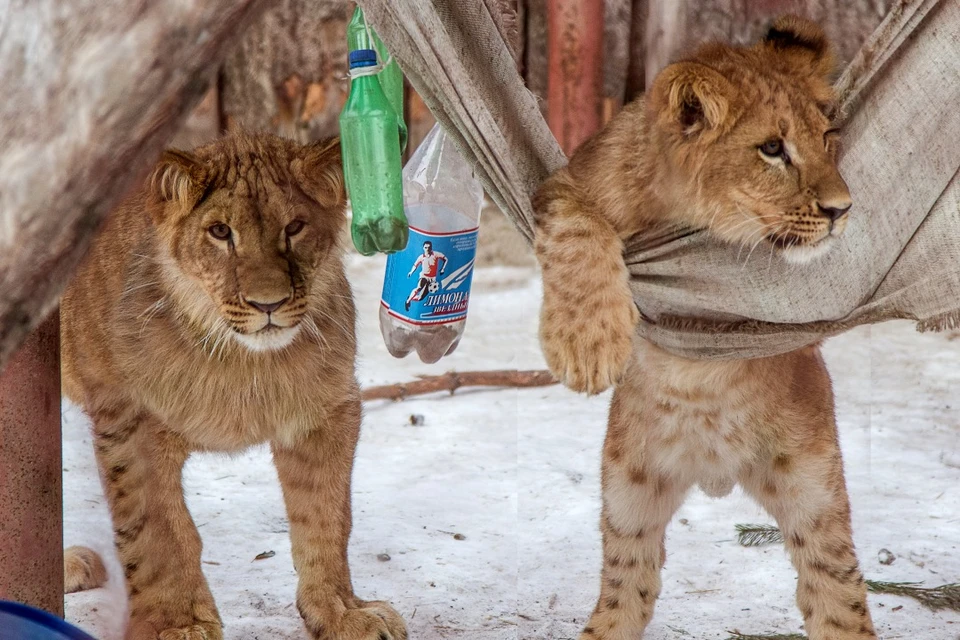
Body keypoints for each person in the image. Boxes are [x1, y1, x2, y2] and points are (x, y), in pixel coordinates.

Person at [405, 240, 447, 311]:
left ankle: (410, 298)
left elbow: (445, 259)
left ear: (431, 248)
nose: (427, 249)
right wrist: (411, 272)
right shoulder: (421, 257)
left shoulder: (436, 254)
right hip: (424, 276)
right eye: (425, 247)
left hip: (432, 279)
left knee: (420, 298)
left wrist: (443, 268)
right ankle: (407, 301)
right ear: (423, 248)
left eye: (429, 247)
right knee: (419, 287)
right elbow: (415, 265)